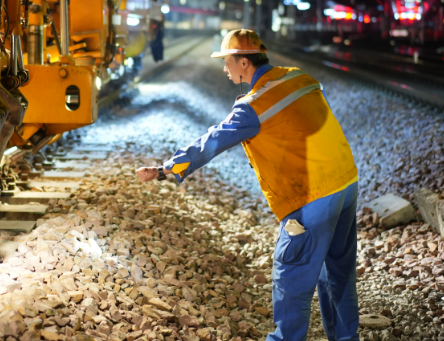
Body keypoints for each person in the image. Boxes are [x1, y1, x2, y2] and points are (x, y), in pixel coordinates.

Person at [136, 29, 359, 341]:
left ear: (243, 62)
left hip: (314, 196)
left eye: (227, 60)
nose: (224, 67)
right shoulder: (300, 77)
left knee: (291, 275)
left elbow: (212, 141)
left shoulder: (253, 105)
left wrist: (167, 169)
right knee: (337, 273)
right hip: (346, 183)